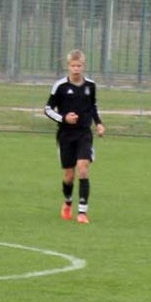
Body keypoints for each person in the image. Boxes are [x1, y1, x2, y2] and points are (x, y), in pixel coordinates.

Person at [44, 49, 104, 224]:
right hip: (65, 135)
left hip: (84, 133)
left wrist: (98, 123)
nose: (76, 69)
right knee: (69, 175)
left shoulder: (90, 86)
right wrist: (64, 118)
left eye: (79, 66)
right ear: (68, 66)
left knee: (83, 169)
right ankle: (68, 201)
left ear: (84, 66)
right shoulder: (60, 86)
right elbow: (47, 109)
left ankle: (82, 212)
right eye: (73, 66)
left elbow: (93, 106)